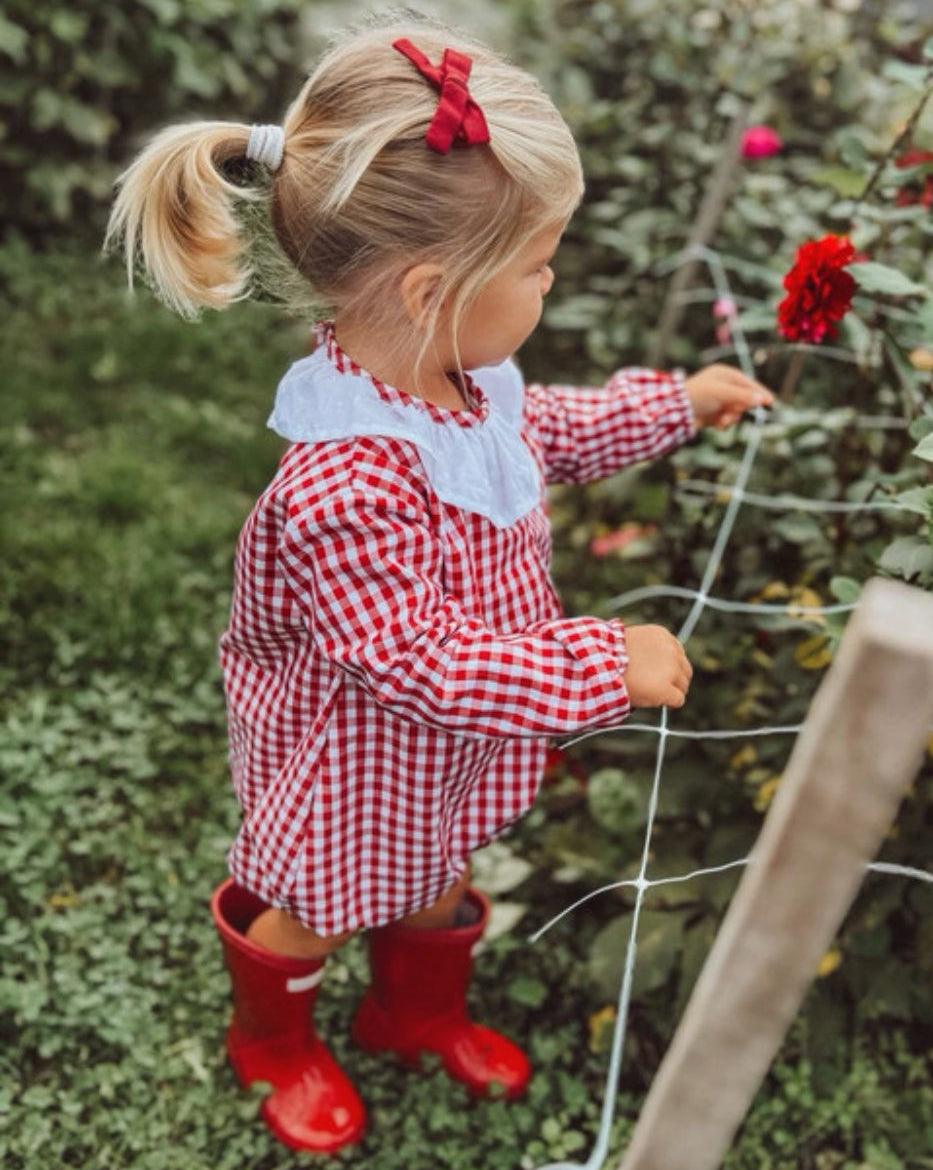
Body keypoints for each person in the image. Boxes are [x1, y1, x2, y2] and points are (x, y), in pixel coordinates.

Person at [105, 13, 773, 1155]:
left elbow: (548, 432)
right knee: (316, 903)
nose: (550, 278)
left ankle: (410, 1011)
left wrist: (673, 405)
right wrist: (598, 662)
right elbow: (413, 657)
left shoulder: (467, 384)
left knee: (432, 871)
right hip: (352, 758)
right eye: (535, 262)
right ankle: (272, 1040)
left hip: (447, 747)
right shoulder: (345, 484)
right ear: (428, 289)